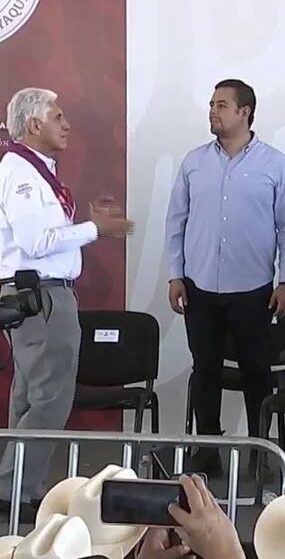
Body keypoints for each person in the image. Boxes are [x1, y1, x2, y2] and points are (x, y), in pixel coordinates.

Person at [0, 88, 133, 522]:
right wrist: (94, 228)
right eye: (58, 117)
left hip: (38, 295)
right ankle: (15, 491)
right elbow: (36, 242)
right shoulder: (19, 169)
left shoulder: (35, 169)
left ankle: (17, 487)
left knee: (30, 396)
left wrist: (87, 225)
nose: (67, 124)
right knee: (49, 398)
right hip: (40, 296)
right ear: (34, 125)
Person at [165, 79, 285, 476]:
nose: (213, 111)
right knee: (205, 368)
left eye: (222, 105)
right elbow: (175, 221)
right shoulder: (194, 162)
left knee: (257, 372)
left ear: (245, 112)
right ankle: (207, 451)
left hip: (254, 289)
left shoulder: (275, 164)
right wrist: (175, 275)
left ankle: (261, 453)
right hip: (200, 286)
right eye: (211, 104)